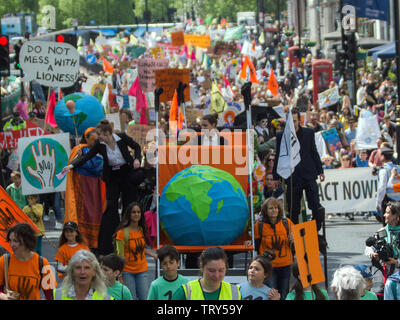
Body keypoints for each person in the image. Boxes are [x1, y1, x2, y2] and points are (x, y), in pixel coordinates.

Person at [64, 119, 145, 256]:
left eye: (100, 134)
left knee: (129, 206)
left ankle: (132, 237)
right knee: (110, 209)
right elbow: (87, 156)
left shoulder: (122, 137)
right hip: (112, 176)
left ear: (107, 133)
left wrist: (137, 158)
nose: (98, 137)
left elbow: (137, 146)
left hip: (126, 173)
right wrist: (72, 165)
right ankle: (107, 245)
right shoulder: (100, 144)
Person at [273, 107, 325, 231]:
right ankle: (294, 233)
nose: (294, 123)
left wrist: (320, 170)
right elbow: (279, 156)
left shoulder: (308, 133)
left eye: (295, 121)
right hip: (293, 177)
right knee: (293, 209)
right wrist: (276, 176)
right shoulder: (281, 136)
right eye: (292, 121)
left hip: (309, 174)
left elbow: (314, 152)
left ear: (299, 121)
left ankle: (316, 229)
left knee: (315, 204)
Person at [64, 127, 106, 249]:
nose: (94, 141)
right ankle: (81, 241)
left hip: (96, 186)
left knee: (95, 213)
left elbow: (100, 166)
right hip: (81, 185)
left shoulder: (100, 150)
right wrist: (80, 158)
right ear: (86, 138)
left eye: (97, 139)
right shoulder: (78, 149)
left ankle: (95, 243)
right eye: (92, 139)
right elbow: (73, 164)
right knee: (83, 213)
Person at [250, 197, 295, 299]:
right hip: (269, 267)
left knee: (284, 294)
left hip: (285, 265)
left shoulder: (287, 223)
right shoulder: (259, 225)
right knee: (271, 294)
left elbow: (297, 243)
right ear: (265, 210)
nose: (274, 210)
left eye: (276, 208)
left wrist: (294, 240)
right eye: (271, 208)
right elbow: (256, 245)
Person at [0, 223, 56, 300]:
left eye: (15, 241)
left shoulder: (42, 263)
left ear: (27, 241)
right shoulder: (4, 261)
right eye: (10, 240)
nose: (11, 244)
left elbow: (50, 294)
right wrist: (3, 296)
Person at [114, 201, 157, 300]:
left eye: (138, 212)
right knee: (131, 298)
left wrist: (153, 255)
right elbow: (120, 256)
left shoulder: (141, 230)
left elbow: (140, 248)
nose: (136, 214)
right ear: (129, 214)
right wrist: (119, 275)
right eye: (133, 212)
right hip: (127, 272)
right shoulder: (122, 233)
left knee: (145, 297)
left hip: (142, 270)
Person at [172, 246, 241, 300]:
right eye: (211, 271)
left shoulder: (234, 292)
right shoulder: (185, 292)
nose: (216, 275)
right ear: (202, 266)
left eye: (221, 270)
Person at [376, 147, 400, 221]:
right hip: (399, 201)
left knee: (388, 225)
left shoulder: (384, 170)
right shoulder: (398, 168)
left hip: (388, 201)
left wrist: (378, 202)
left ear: (383, 156)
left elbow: (382, 187)